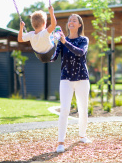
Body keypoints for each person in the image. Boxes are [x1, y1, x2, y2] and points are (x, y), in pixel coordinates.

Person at [51, 14, 91, 153]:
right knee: (64, 110)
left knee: (83, 109)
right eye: (70, 20)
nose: (71, 22)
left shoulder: (83, 40)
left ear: (79, 25)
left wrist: (64, 42)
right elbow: (53, 57)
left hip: (82, 79)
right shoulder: (62, 41)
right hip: (66, 79)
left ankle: (82, 135)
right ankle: (60, 142)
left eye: (74, 20)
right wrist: (51, 45)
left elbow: (80, 52)